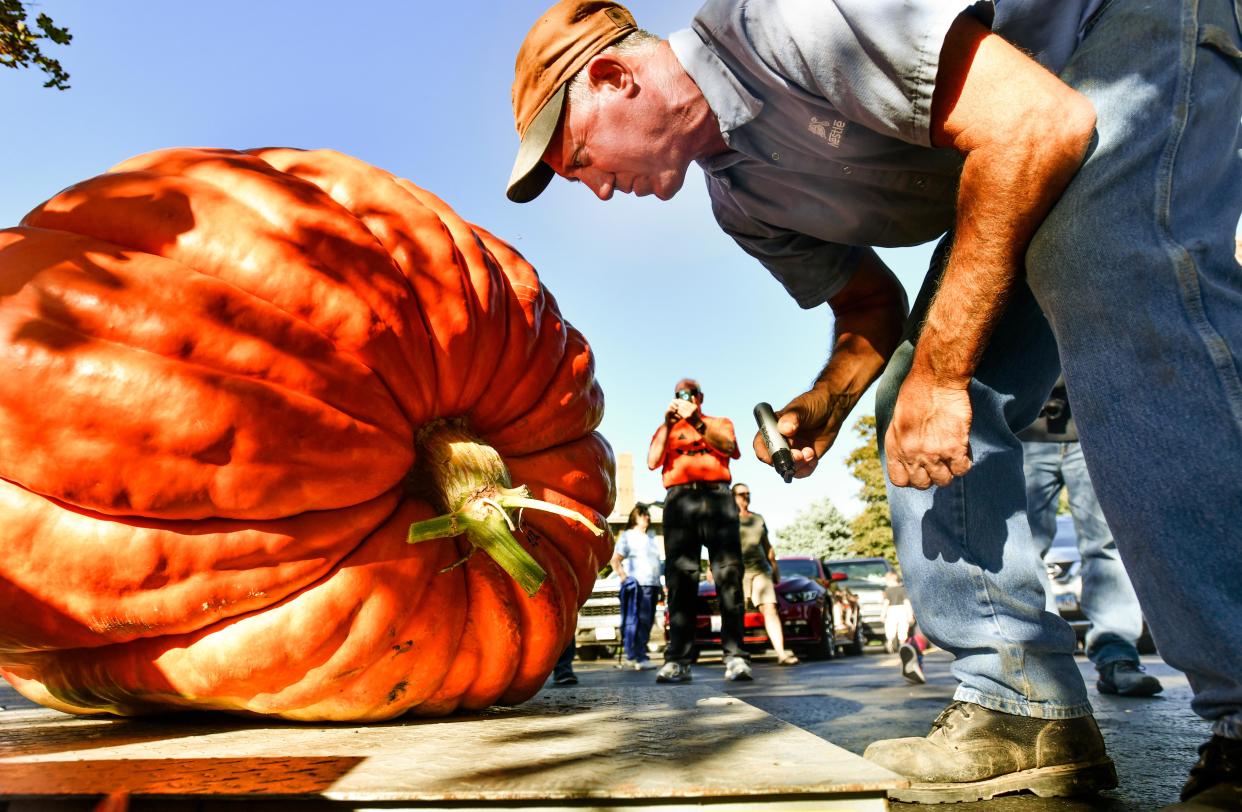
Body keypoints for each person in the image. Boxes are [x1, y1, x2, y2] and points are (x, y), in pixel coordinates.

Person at [505, 0, 1240, 804]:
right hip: (1020, 142)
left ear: (613, 77)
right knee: (910, 402)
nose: (598, 192)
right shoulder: (743, 206)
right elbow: (867, 313)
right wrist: (828, 402)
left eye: (577, 156)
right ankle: (1022, 704)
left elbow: (1037, 122)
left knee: (1106, 265)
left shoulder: (782, 21)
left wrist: (945, 371)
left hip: (1110, 33)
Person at [1020, 376, 1163, 698]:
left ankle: (1117, 657)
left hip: (1095, 422)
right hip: (1027, 427)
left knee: (1106, 544)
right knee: (1023, 548)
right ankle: (1046, 661)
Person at [644, 378, 751, 684]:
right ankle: (678, 660)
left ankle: (735, 658)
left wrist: (694, 419)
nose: (683, 397)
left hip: (717, 497)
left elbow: (729, 447)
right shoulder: (666, 429)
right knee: (680, 579)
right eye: (678, 394)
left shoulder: (719, 423)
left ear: (700, 396)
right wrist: (667, 423)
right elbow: (652, 461)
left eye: (688, 393)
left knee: (729, 575)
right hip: (680, 501)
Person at [732, 483, 798, 666]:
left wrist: (775, 568)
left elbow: (767, 546)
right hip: (739, 571)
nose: (745, 497)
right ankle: (737, 657)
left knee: (770, 609)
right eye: (741, 494)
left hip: (761, 569)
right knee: (736, 611)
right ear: (733, 497)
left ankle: (781, 653)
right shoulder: (728, 520)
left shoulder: (758, 519)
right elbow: (720, 546)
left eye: (748, 493)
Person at [610, 503, 663, 671]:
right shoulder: (628, 536)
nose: (647, 517)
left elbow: (656, 564)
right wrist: (624, 577)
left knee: (647, 621)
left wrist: (660, 585)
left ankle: (634, 655)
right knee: (639, 620)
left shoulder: (651, 538)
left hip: (652, 584)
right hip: (639, 585)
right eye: (643, 514)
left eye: (647, 514)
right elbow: (615, 559)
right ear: (635, 517)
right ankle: (639, 656)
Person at [880, 572, 912, 654]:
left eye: (887, 581)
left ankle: (890, 641)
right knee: (903, 627)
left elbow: (886, 603)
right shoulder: (903, 590)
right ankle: (902, 644)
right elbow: (907, 602)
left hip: (891, 610)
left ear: (891, 580)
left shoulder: (887, 590)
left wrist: (882, 615)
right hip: (902, 610)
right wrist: (910, 615)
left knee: (890, 627)